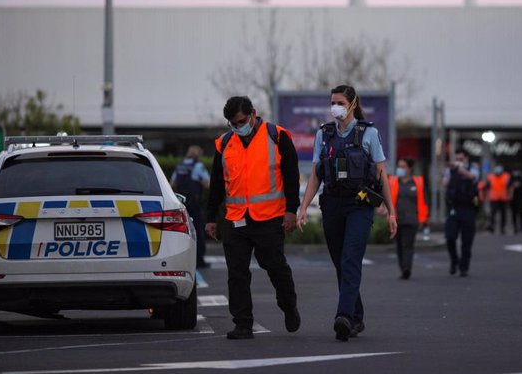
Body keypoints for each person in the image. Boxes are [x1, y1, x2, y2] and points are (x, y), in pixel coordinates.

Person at [296, 84, 397, 342]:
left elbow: (381, 175)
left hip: (360, 205)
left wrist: (391, 211)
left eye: (340, 102)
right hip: (332, 205)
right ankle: (357, 316)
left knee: (351, 259)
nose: (335, 107)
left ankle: (343, 316)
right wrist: (303, 207)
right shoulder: (324, 134)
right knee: (341, 263)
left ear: (352, 104)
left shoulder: (368, 133)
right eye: (332, 102)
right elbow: (317, 174)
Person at [204, 96, 301, 340]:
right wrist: (211, 218)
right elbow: (216, 183)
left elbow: (291, 176)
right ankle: (243, 323)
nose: (238, 128)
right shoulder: (225, 144)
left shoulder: (277, 136)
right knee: (237, 273)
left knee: (275, 267)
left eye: (241, 122)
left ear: (253, 114)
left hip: (269, 218)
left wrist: (292, 211)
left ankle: (288, 306)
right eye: (232, 124)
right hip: (236, 219)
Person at [170, 145, 211, 269]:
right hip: (195, 203)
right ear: (198, 155)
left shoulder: (180, 165)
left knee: (182, 232)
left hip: (182, 204)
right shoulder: (198, 166)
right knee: (198, 231)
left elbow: (172, 184)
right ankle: (199, 260)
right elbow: (208, 184)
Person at [388, 158, 429, 279]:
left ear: (409, 168)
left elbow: (425, 200)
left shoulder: (418, 182)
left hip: (412, 219)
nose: (400, 169)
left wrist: (426, 218)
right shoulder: (393, 181)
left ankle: (407, 268)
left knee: (407, 244)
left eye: (403, 166)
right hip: (396, 219)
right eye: (399, 166)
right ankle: (403, 267)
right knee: (399, 245)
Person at [443, 149, 480, 277]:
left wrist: (459, 169)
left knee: (467, 241)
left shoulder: (473, 169)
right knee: (449, 237)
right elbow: (445, 183)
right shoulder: (450, 171)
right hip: (454, 208)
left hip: (468, 209)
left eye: (461, 159)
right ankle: (454, 261)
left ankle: (464, 267)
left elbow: (472, 177)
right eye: (457, 159)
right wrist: (451, 171)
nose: (458, 161)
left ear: (466, 158)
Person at [485, 163, 511, 234]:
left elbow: (509, 186)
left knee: (503, 214)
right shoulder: (490, 177)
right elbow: (487, 187)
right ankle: (492, 227)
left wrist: (510, 195)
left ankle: (502, 228)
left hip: (503, 198)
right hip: (494, 199)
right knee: (493, 214)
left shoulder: (506, 176)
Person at [509, 169, 522, 234]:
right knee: (514, 213)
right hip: (513, 199)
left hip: (520, 199)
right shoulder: (510, 180)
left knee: (521, 213)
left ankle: (521, 227)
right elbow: (508, 187)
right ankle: (515, 227)